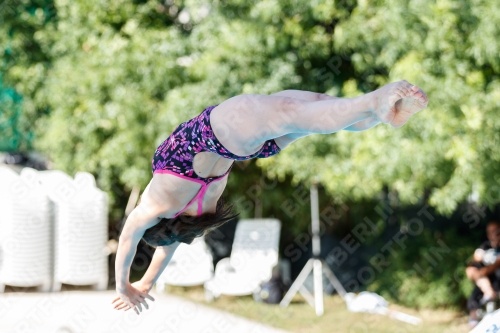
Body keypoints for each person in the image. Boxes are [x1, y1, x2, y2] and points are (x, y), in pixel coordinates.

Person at [111, 80, 428, 314]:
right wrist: (122, 284)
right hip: (225, 128)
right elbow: (129, 237)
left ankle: (382, 114)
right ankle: (377, 101)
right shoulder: (157, 204)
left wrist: (145, 284)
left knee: (313, 110)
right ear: (159, 221)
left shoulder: (191, 213)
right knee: (305, 110)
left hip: (247, 145)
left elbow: (167, 247)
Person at [466, 221, 500, 328]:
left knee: (477, 274)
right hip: (485, 279)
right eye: (489, 232)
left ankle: (489, 292)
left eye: (495, 232)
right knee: (472, 269)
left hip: (497, 278)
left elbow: (495, 266)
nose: (492, 234)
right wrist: (475, 270)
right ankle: (474, 318)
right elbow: (475, 259)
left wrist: (479, 272)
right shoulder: (485, 245)